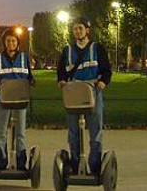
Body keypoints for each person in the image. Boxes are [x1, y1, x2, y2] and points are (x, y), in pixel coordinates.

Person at [57, 16, 112, 175]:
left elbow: (106, 69)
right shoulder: (67, 50)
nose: (78, 31)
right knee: (73, 132)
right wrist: (61, 81)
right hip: (74, 91)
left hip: (93, 90)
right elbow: (61, 71)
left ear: (87, 30)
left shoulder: (97, 48)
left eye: (80, 28)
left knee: (95, 131)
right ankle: (75, 164)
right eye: (75, 28)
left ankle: (94, 166)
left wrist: (103, 82)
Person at [0, 26, 35, 170]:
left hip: (20, 98)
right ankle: (1, 160)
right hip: (3, 98)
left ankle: (21, 161)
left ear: (17, 42)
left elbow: (30, 77)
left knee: (20, 131)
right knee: (1, 131)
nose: (11, 44)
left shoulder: (24, 57)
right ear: (4, 43)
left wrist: (32, 82)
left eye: (13, 41)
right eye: (8, 41)